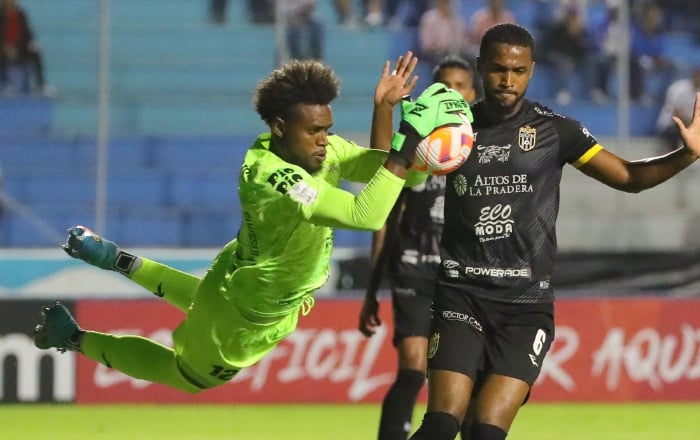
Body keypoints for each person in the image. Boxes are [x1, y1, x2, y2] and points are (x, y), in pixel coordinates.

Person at [31, 54, 473, 394]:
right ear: (280, 126)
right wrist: (404, 149)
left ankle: (113, 258)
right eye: (313, 131)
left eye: (327, 129)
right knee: (188, 376)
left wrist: (421, 143)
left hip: (242, 279)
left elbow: (400, 175)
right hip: (251, 313)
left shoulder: (317, 150)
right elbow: (367, 214)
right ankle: (73, 337)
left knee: (200, 298)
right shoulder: (274, 178)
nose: (324, 140)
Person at [408, 23, 700, 440]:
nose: (507, 80)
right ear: (481, 67)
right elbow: (390, 171)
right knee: (442, 424)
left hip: (525, 307)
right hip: (461, 292)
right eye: (498, 69)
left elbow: (628, 175)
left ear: (532, 70)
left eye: (518, 71)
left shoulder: (557, 132)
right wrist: (393, 120)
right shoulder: (453, 131)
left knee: (485, 432)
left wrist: (686, 154)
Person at [359, 55, 476, 440]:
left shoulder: (477, 149)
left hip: (459, 278)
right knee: (412, 367)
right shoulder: (420, 147)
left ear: (471, 95)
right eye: (443, 85)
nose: (451, 92)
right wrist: (372, 291)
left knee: (461, 377)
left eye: (459, 85)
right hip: (411, 269)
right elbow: (382, 185)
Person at [656, 67, 700, 153]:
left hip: (694, 125)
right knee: (675, 133)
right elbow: (676, 113)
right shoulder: (679, 90)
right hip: (672, 124)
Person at [0, 0, 47, 95]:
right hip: (4, 49)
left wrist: (32, 43)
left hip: (20, 48)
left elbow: (28, 34)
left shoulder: (21, 15)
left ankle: (40, 85)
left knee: (35, 53)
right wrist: (5, 47)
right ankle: (4, 84)